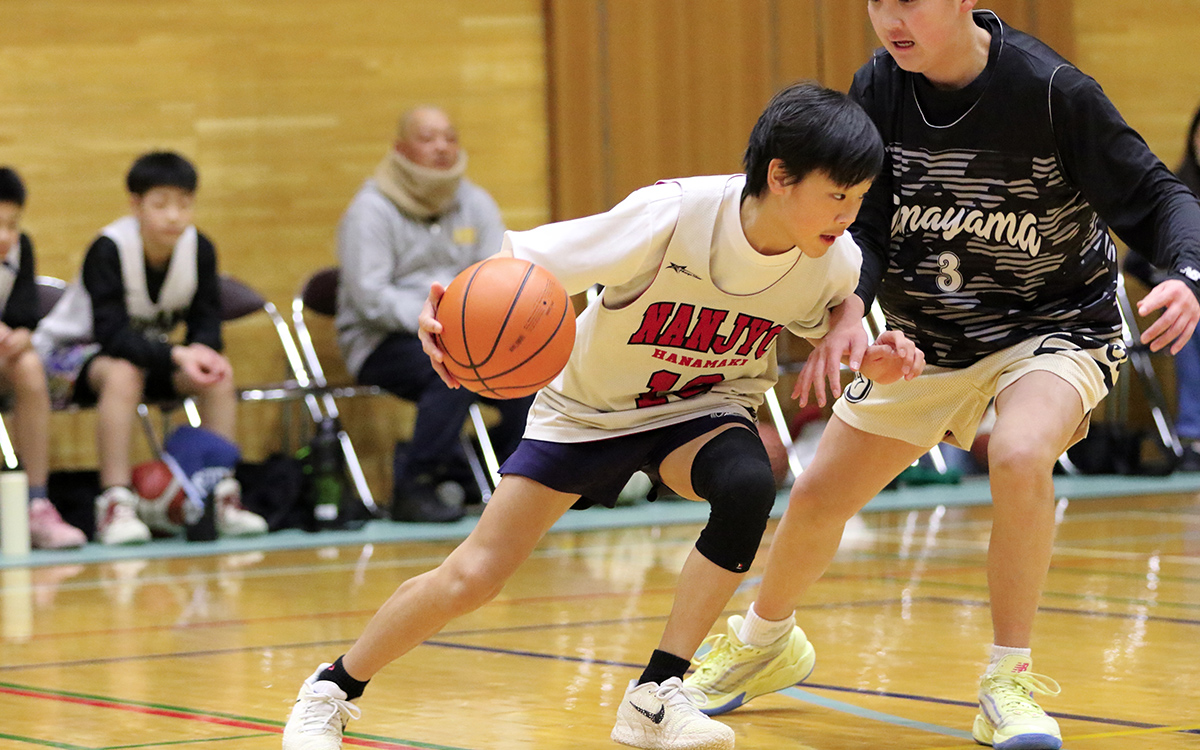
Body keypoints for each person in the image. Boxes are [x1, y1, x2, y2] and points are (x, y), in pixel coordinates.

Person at [281, 82, 924, 750]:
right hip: (588, 411)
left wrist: (872, 355)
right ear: (780, 177)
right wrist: (441, 310)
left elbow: (837, 323)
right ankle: (332, 687)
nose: (849, 215)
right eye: (838, 195)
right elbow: (520, 262)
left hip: (702, 407)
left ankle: (657, 691)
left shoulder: (832, 259)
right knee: (474, 575)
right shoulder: (669, 216)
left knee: (747, 484)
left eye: (859, 197)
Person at [685, 4, 1200, 750]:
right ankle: (766, 642)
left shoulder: (1052, 90)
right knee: (822, 493)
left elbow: (1160, 195)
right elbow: (863, 225)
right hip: (925, 337)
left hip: (1053, 328)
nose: (891, 17)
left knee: (1021, 454)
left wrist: (1186, 273)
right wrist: (849, 313)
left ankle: (1008, 680)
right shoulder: (882, 88)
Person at [32, 151, 267, 545]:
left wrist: (203, 353)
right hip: (66, 360)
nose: (174, 215)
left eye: (184, 204)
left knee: (217, 374)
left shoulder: (199, 248)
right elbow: (111, 336)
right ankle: (115, 503)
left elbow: (206, 320)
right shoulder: (108, 249)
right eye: (161, 204)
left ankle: (217, 494)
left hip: (143, 356)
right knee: (124, 372)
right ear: (135, 205)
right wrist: (178, 355)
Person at [335, 105, 534, 523]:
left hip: (463, 330)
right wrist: (439, 321)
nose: (442, 147)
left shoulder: (475, 202)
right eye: (428, 138)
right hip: (381, 339)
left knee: (526, 369)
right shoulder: (370, 210)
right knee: (450, 371)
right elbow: (370, 296)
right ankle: (414, 485)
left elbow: (495, 271)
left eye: (450, 137)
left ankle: (508, 473)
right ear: (401, 148)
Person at [0, 167, 86, 549]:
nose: (6, 236)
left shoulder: (22, 250)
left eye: (12, 224)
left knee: (31, 366)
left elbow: (24, 316)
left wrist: (21, 335)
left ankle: (36, 504)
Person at [1124, 101, 1200, 469]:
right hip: (1191, 296)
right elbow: (1135, 259)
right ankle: (1193, 435)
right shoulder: (1178, 191)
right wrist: (1174, 282)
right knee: (1184, 310)